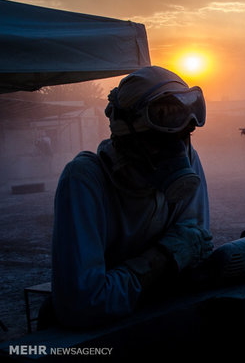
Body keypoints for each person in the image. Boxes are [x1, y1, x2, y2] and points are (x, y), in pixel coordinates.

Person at [49, 66, 213, 328]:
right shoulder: (85, 180)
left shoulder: (189, 161)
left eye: (185, 136)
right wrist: (164, 257)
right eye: (162, 139)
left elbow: (195, 252)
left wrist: (124, 282)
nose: (178, 152)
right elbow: (81, 305)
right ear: (126, 137)